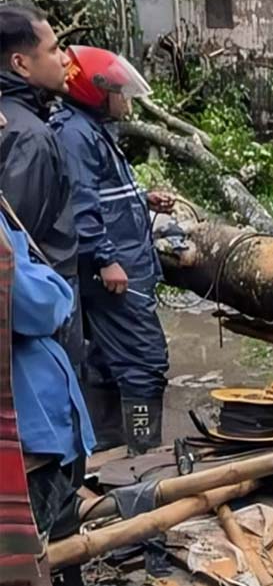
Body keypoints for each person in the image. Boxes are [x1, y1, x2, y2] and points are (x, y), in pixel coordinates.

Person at [50, 46, 174, 454]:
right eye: (120, 92)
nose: (126, 101)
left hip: (125, 261)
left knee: (105, 357)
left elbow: (101, 193)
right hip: (116, 269)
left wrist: (142, 198)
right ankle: (144, 451)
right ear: (96, 92)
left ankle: (108, 447)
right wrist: (106, 259)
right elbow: (80, 204)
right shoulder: (75, 135)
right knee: (144, 360)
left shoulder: (91, 129)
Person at [0, 101, 95, 582]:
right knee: (28, 561)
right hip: (28, 437)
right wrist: (55, 287)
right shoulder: (40, 140)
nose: (2, 121)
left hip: (34, 430)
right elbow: (29, 301)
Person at [0, 4, 83, 369]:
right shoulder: (29, 137)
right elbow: (15, 248)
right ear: (20, 64)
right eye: (53, 49)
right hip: (39, 318)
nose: (65, 59)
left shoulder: (14, 119)